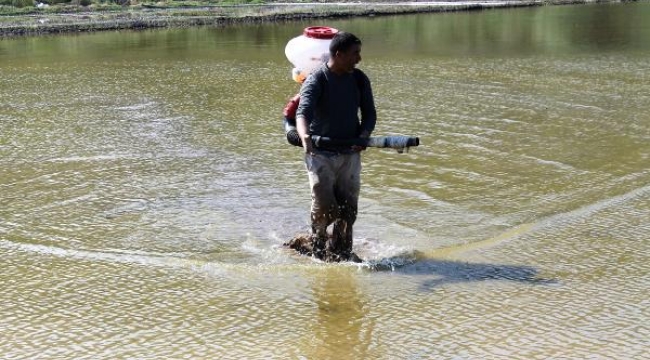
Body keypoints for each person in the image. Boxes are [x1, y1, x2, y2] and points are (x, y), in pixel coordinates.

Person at [295, 31, 376, 262]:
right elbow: (303, 113)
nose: (359, 58)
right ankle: (319, 247)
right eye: (355, 54)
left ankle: (343, 251)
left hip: (350, 152)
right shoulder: (317, 79)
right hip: (320, 153)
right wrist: (305, 136)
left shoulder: (359, 79)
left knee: (349, 208)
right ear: (339, 55)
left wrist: (364, 135)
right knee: (325, 205)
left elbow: (369, 114)